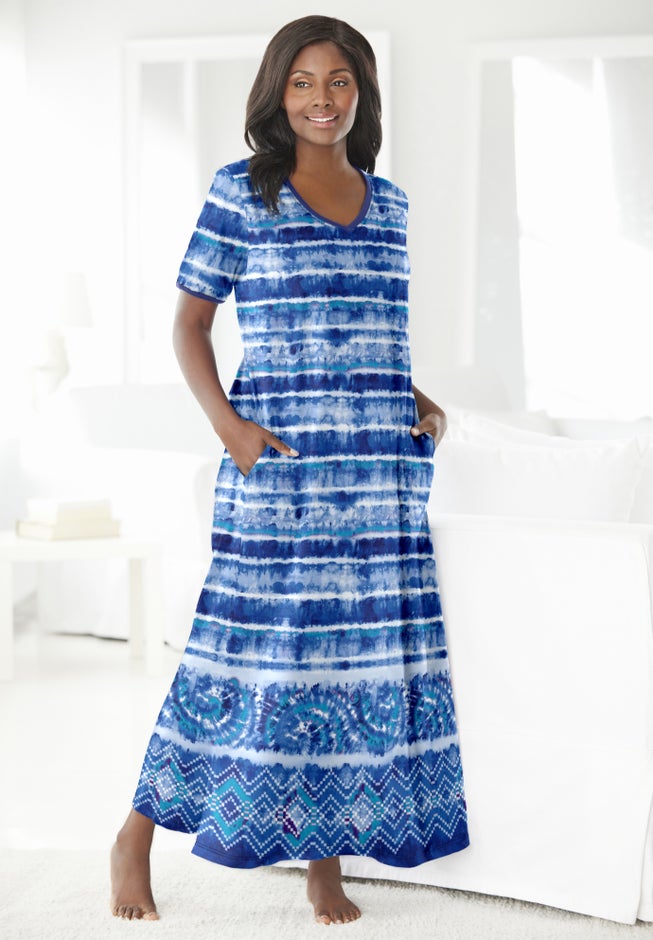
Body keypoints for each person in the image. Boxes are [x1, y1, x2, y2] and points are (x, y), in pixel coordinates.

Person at [110, 14, 469, 927]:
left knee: (344, 667)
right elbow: (190, 324)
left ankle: (323, 866)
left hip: (378, 477)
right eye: (303, 82)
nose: (321, 99)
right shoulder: (241, 193)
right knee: (238, 656)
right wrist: (228, 429)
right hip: (280, 470)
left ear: (362, 92)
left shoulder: (390, 205)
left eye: (338, 81)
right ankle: (135, 836)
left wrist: (416, 397)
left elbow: (367, 332)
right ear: (277, 92)